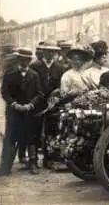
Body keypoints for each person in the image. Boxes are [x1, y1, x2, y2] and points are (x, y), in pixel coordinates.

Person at [0, 48, 44, 176]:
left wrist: (31, 105)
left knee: (31, 137)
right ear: (18, 60)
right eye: (22, 59)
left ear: (29, 61)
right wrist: (14, 104)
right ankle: (5, 167)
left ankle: (33, 163)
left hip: (29, 112)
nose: (24, 62)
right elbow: (4, 92)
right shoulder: (9, 73)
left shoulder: (34, 75)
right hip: (13, 112)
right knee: (11, 138)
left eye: (27, 60)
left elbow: (39, 93)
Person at [29, 41, 63, 169]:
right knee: (34, 130)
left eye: (52, 51)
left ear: (55, 53)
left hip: (53, 103)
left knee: (51, 130)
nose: (50, 54)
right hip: (38, 102)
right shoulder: (34, 66)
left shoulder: (59, 68)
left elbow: (61, 85)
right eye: (47, 51)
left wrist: (57, 93)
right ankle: (33, 160)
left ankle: (48, 159)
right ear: (42, 52)